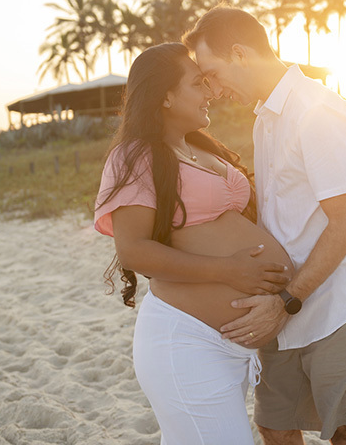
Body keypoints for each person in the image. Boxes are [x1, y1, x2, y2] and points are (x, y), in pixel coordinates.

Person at [182, 6, 346, 445]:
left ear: (240, 54)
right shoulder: (265, 121)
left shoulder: (319, 110)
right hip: (287, 307)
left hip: (340, 306)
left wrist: (285, 301)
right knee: (275, 426)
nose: (215, 89)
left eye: (213, 73)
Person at [93, 42, 295, 445]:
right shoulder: (135, 156)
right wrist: (229, 270)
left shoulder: (202, 146)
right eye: (198, 83)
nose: (211, 92)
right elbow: (132, 250)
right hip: (185, 341)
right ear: (166, 95)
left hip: (231, 347)